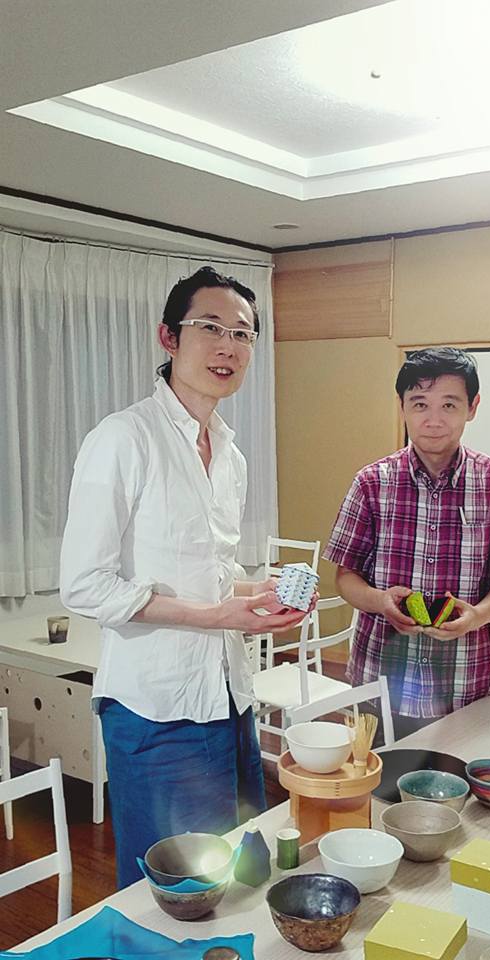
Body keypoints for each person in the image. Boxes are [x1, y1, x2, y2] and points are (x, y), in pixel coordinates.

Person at [60, 266, 306, 888]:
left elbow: (211, 571)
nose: (229, 346)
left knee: (238, 874)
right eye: (211, 328)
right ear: (168, 337)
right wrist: (217, 615)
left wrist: (258, 594)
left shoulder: (230, 455)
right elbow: (85, 584)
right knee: (172, 889)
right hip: (156, 706)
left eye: (243, 334)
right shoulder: (124, 438)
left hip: (229, 696)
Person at [323, 347, 490, 740]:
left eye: (449, 404)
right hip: (381, 681)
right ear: (402, 407)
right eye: (420, 404)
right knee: (382, 778)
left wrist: (476, 615)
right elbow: (346, 576)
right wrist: (380, 601)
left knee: (465, 779)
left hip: (469, 681)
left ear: (472, 407)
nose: (433, 420)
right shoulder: (372, 483)